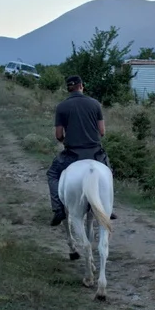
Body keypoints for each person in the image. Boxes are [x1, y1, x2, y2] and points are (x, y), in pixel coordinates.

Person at [46, 75, 118, 226]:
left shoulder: (62, 107)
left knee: (52, 174)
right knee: (108, 172)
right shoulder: (95, 104)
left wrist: (65, 141)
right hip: (95, 153)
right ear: (81, 86)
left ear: (69, 88)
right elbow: (102, 131)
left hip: (72, 155)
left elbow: (59, 135)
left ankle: (58, 209)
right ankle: (108, 208)